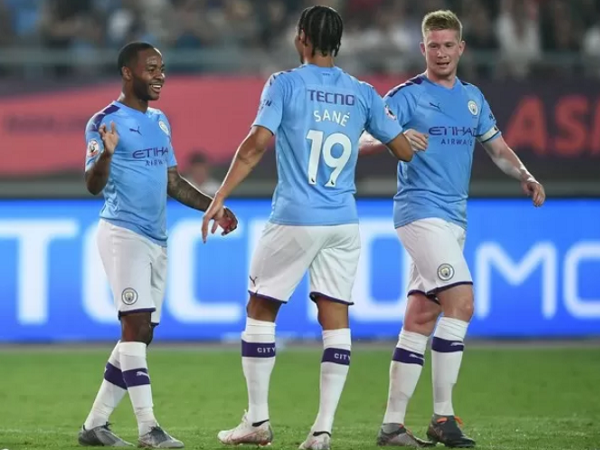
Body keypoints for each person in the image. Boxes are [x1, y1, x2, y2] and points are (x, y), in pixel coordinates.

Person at [201, 5, 414, 450]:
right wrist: (381, 136)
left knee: (261, 308)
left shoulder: (284, 84)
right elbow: (403, 150)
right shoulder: (362, 93)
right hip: (343, 222)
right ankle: (322, 430)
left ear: (301, 38)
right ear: (338, 43)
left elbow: (256, 145)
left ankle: (257, 421)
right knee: (335, 318)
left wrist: (219, 196)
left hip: (295, 217)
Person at [361, 10, 546, 448]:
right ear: (422, 49)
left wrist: (524, 174)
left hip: (453, 218)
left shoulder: (473, 98)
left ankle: (391, 426)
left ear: (460, 48)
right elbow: (360, 138)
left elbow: (497, 148)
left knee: (421, 317)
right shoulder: (407, 96)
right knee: (461, 302)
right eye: (434, 46)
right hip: (419, 212)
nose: (441, 53)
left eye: (448, 45)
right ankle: (443, 417)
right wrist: (394, 138)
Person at [79, 41, 238, 448]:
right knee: (134, 325)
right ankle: (148, 428)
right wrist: (107, 156)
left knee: (143, 331)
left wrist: (214, 207)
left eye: (162, 68)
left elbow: (172, 182)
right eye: (151, 69)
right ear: (128, 72)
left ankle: (94, 425)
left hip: (156, 237)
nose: (160, 76)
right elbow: (93, 185)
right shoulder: (105, 121)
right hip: (123, 233)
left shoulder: (161, 121)